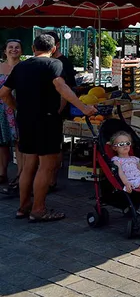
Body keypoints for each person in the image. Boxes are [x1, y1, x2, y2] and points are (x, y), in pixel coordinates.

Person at [0, 34, 96, 222]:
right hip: (47, 120)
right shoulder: (54, 64)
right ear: (52, 50)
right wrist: (83, 107)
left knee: (28, 166)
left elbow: (4, 93)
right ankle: (38, 209)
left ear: (34, 49)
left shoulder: (20, 66)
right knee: (46, 166)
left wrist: (18, 108)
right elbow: (61, 87)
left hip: (25, 121)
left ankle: (23, 206)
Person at [45, 32, 77, 192]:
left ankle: (52, 180)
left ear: (55, 44)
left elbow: (67, 89)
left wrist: (59, 109)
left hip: (57, 110)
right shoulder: (49, 62)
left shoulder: (63, 63)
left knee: (55, 146)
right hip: (47, 110)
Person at [0, 39, 22, 189]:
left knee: (19, 143)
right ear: (5, 50)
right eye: (10, 47)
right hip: (0, 111)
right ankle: (2, 173)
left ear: (21, 51)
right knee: (1, 142)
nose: (13, 50)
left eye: (17, 47)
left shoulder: (24, 67)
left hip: (18, 108)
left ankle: (21, 175)